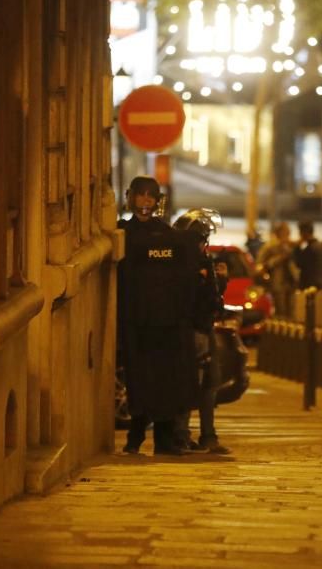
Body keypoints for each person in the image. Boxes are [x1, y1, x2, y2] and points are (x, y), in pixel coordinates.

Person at [117, 176, 199, 456]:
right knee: (139, 381)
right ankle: (136, 435)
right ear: (130, 197)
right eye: (141, 196)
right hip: (136, 323)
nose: (146, 202)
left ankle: (163, 439)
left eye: (151, 197)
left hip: (166, 324)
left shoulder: (168, 236)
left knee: (165, 381)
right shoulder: (120, 234)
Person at [172, 208, 231, 455]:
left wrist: (220, 280)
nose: (203, 246)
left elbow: (213, 299)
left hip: (205, 328)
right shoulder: (181, 264)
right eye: (199, 240)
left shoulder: (205, 261)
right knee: (188, 384)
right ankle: (181, 436)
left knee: (210, 383)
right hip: (190, 330)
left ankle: (208, 435)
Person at [256, 221, 298, 317]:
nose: (286, 235)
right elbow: (260, 264)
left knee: (291, 310)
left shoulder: (290, 246)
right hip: (277, 282)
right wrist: (278, 259)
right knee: (280, 310)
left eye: (288, 233)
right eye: (284, 232)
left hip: (290, 282)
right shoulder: (270, 247)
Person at [293, 220, 322, 291]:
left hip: (309, 283)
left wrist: (297, 247)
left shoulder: (308, 248)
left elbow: (299, 263)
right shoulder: (320, 246)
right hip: (320, 283)